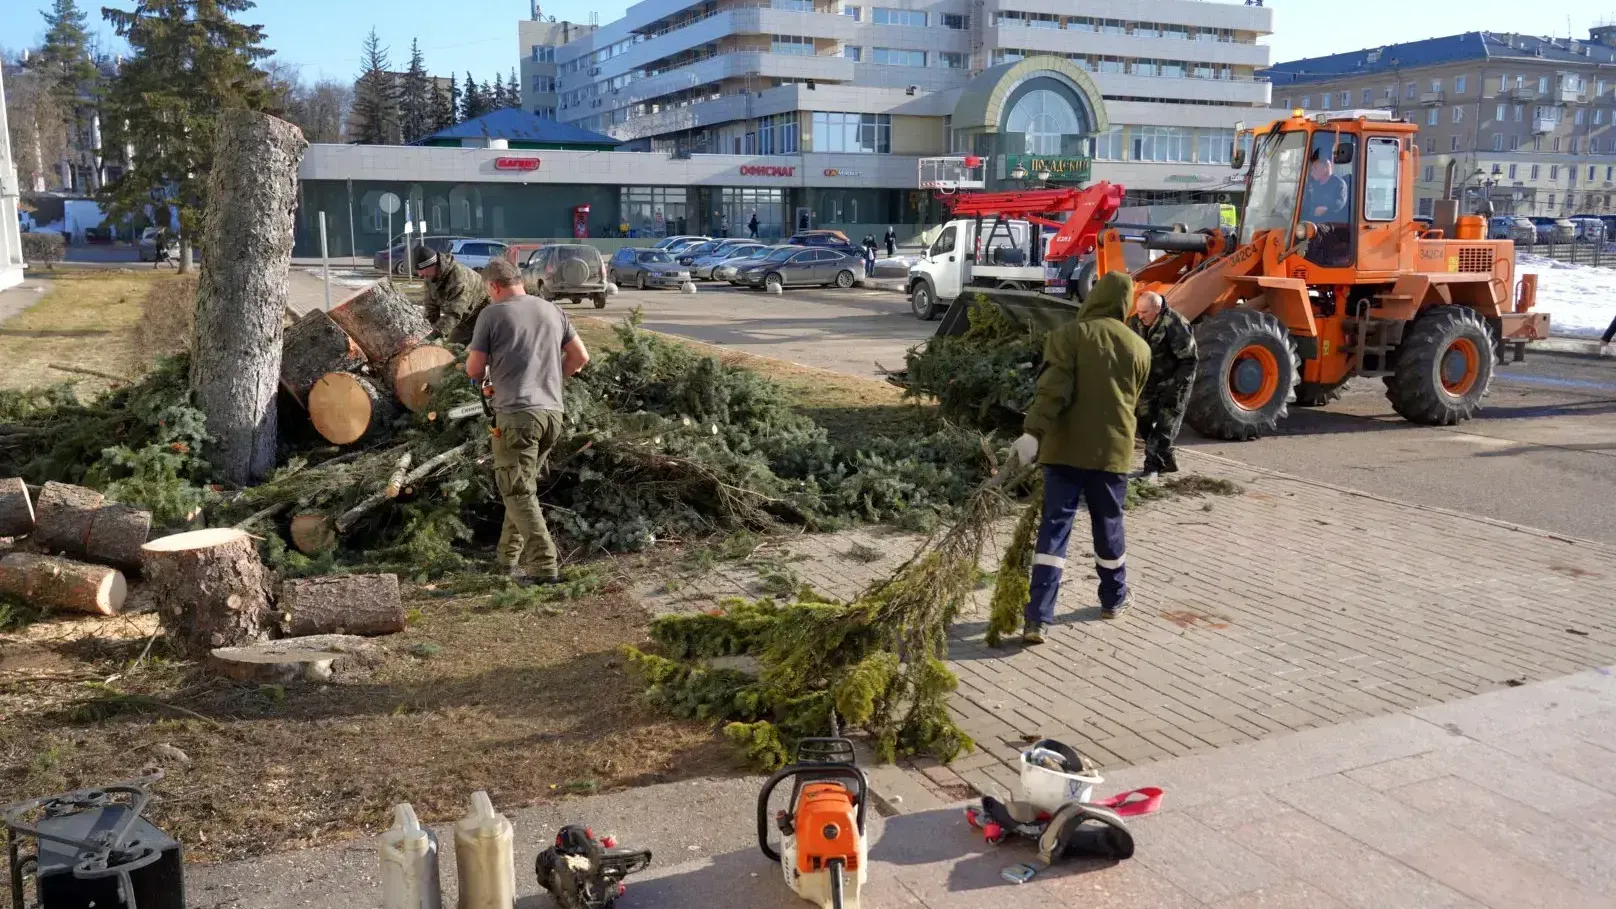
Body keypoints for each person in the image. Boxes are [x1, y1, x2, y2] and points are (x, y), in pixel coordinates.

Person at [1011, 272, 1151, 641]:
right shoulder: (1140, 347)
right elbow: (1134, 399)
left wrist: (1032, 432)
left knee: (1055, 530)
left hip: (1065, 451)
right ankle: (1113, 598)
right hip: (1112, 453)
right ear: (1126, 303)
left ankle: (1038, 618)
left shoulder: (1067, 336)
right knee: (1108, 527)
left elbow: (1053, 391)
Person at [465, 257, 590, 584]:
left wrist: (488, 372)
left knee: (517, 492)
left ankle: (544, 566)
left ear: (493, 286)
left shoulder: (492, 314)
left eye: (488, 291)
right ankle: (505, 561)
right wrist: (554, 380)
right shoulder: (552, 310)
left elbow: (474, 370)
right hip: (552, 414)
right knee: (519, 490)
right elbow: (580, 357)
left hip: (517, 416)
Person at [1126, 291, 1198, 479]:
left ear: (1157, 310)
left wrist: (1175, 389)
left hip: (1175, 383)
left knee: (1164, 428)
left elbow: (1189, 361)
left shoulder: (1176, 324)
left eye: (1145, 312)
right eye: (1139, 311)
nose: (1140, 316)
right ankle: (1167, 460)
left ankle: (1151, 469)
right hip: (1149, 382)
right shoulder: (1135, 322)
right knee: (1143, 421)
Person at [414, 244, 492, 345]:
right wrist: (427, 333)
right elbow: (431, 308)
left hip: (483, 316)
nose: (420, 274)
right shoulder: (430, 278)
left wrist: (434, 335)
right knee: (449, 346)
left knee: (469, 350)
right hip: (464, 319)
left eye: (422, 270)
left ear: (434, 265)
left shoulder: (458, 277)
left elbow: (454, 314)